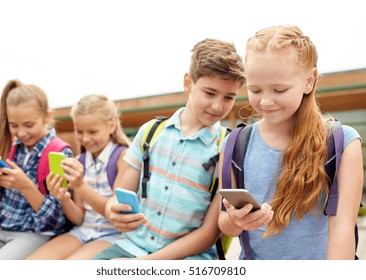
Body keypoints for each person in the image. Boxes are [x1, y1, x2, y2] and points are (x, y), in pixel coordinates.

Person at [218, 25, 363, 260]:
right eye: (254, 89)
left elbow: (342, 229)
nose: (265, 101)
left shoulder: (343, 143)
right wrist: (236, 220)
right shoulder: (235, 144)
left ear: (309, 80)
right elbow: (224, 224)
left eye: (279, 89)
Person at [93, 38, 246, 260]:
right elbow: (118, 196)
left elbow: (209, 234)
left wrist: (146, 265)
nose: (217, 106)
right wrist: (113, 212)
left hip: (190, 257)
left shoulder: (227, 148)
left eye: (229, 97)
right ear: (188, 83)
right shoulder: (149, 132)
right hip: (131, 246)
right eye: (210, 93)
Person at [0, 79, 74, 259]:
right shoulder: (12, 148)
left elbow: (57, 221)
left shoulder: (59, 154)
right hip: (0, 230)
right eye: (14, 126)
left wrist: (26, 186)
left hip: (35, 234)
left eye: (29, 125)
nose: (21, 133)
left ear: (47, 117)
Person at [26, 94, 130, 259]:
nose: (85, 138)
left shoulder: (123, 158)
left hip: (112, 234)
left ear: (111, 126)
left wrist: (80, 185)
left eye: (92, 131)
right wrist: (64, 198)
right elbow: (79, 218)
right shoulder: (78, 161)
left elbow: (115, 213)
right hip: (83, 230)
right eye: (79, 131)